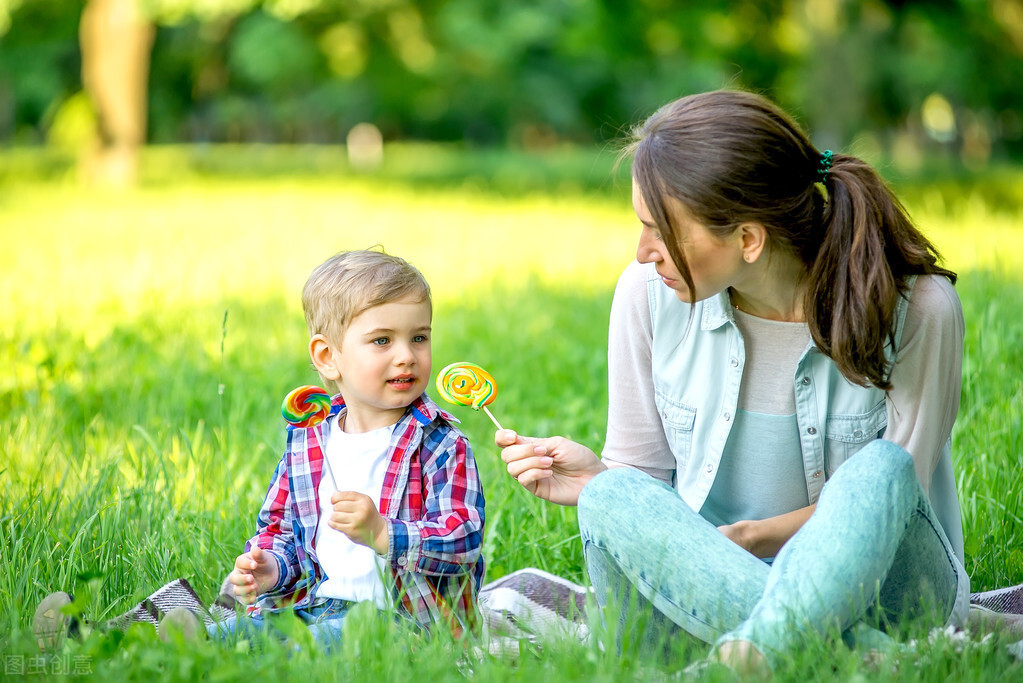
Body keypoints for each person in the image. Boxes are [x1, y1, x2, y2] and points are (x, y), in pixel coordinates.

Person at [497, 90, 968, 674]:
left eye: (659, 230)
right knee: (612, 494)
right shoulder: (646, 295)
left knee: (882, 469)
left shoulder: (918, 310)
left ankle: (763, 652)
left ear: (748, 239)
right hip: (699, 596)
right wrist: (597, 479)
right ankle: (847, 661)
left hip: (890, 597)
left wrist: (751, 539)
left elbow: (895, 507)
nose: (643, 252)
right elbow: (644, 488)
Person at [213, 248, 486, 648]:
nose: (406, 356)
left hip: (408, 623)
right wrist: (270, 567)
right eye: (382, 340)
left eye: (419, 338)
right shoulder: (308, 442)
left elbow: (463, 538)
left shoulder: (441, 445)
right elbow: (281, 530)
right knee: (243, 633)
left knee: (314, 647)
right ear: (328, 357)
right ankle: (193, 643)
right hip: (314, 604)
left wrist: (383, 533)